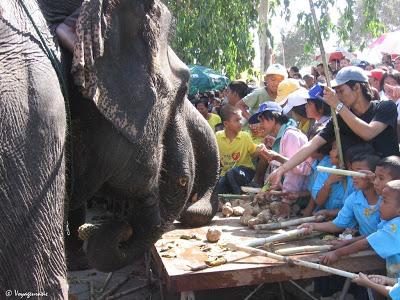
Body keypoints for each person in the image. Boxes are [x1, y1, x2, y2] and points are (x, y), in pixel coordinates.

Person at [266, 66, 399, 190]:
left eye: (341, 91)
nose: (338, 96)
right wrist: (281, 169)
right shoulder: (340, 119)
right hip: (360, 188)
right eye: (336, 92)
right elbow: (313, 144)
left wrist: (338, 106)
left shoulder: (385, 107)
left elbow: (368, 133)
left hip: (389, 185)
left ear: (357, 87)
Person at [316, 180, 400, 277]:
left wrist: (336, 254)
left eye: (384, 201)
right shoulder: (392, 223)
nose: (380, 205)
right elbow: (374, 235)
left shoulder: (395, 226)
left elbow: (366, 243)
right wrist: (347, 242)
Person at [250, 102, 312, 215]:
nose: (260, 125)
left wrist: (286, 202)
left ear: (273, 118)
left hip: (298, 198)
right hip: (288, 194)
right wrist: (266, 190)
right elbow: (277, 170)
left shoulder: (290, 135)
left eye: (262, 120)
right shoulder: (281, 137)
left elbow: (295, 172)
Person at [300, 154, 381, 237]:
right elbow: (338, 224)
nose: (354, 177)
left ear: (372, 175)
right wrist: (313, 226)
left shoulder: (385, 198)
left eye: (359, 172)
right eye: (353, 171)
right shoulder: (353, 199)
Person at [215, 105, 262, 194]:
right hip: (226, 174)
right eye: (237, 120)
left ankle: (238, 195)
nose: (240, 122)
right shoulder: (217, 136)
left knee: (231, 173)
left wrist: (261, 147)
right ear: (226, 124)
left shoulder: (245, 136)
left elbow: (254, 153)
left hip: (245, 172)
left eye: (241, 119)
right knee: (220, 185)